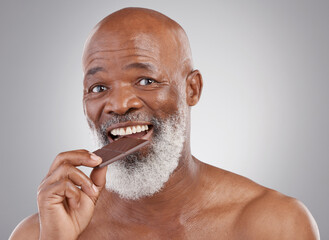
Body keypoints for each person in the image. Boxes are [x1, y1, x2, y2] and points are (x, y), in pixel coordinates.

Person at [10, 7, 320, 239]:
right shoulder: (37, 234)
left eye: (146, 80)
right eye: (98, 88)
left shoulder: (275, 224)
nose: (118, 104)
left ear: (192, 89)